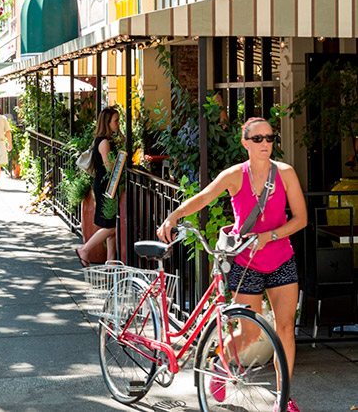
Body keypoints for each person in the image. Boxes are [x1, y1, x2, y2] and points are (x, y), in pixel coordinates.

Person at [157, 117, 307, 412]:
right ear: (245, 143)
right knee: (249, 333)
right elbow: (203, 198)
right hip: (245, 262)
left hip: (281, 260)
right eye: (258, 139)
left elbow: (300, 219)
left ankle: (283, 397)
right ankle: (218, 362)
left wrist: (272, 235)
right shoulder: (234, 175)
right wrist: (173, 216)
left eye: (269, 137)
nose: (265, 143)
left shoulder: (285, 173)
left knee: (286, 329)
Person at [75, 107, 124, 267]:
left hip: (106, 186)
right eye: (115, 121)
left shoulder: (105, 140)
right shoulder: (104, 142)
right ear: (107, 123)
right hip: (105, 187)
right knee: (112, 227)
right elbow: (109, 168)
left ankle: (111, 262)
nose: (118, 123)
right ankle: (85, 249)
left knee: (110, 224)